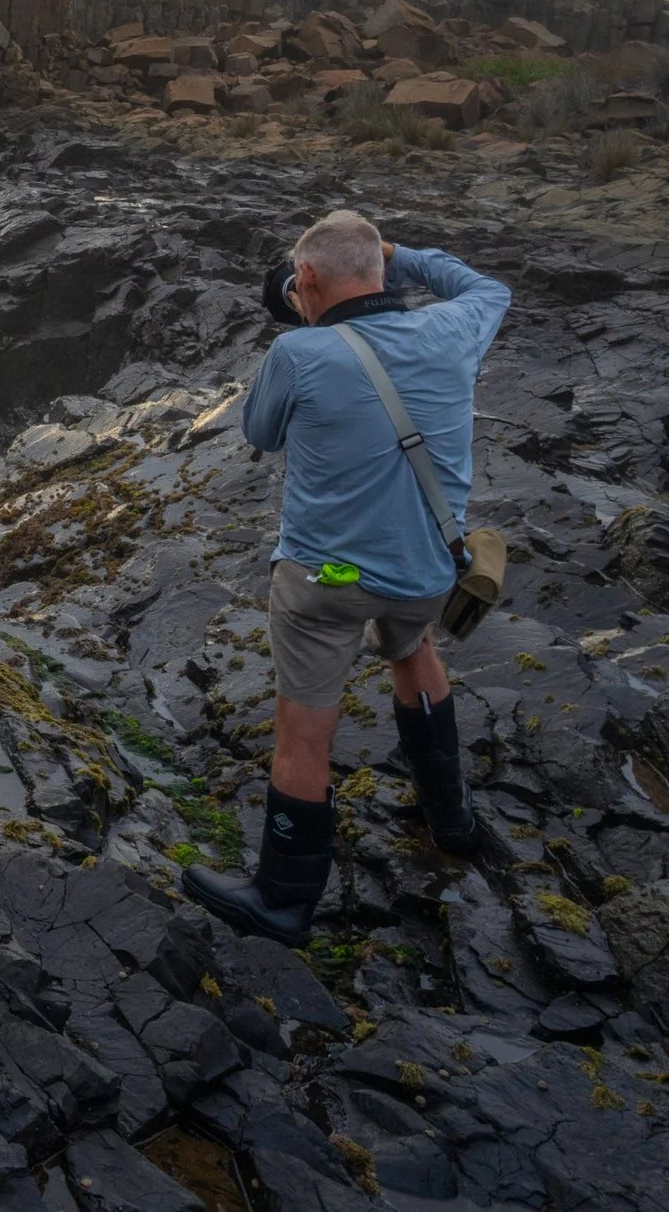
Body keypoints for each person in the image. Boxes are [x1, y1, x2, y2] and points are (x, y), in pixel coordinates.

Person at [183, 209, 511, 945]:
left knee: (304, 731)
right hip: (429, 569)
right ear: (382, 271)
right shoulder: (456, 328)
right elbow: (489, 286)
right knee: (412, 647)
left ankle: (283, 899)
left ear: (304, 282)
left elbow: (260, 433)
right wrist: (406, 254)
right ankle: (451, 817)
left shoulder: (300, 353)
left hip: (325, 582)